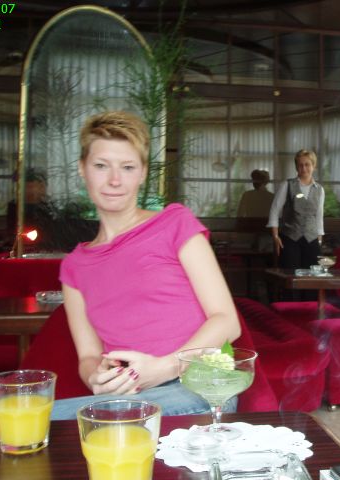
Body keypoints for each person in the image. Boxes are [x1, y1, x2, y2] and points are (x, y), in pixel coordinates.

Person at [51, 111, 241, 419]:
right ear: (82, 169)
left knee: (13, 424)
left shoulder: (175, 223)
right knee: (2, 423)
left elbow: (227, 321)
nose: (114, 180)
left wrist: (165, 367)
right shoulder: (74, 267)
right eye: (101, 166)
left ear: (142, 174)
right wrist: (95, 378)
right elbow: (88, 356)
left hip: (199, 385)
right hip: (128, 395)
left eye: (127, 167)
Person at [267, 149, 325, 269]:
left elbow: (319, 215)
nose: (303, 168)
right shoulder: (287, 185)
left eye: (307, 164)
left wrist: (319, 239)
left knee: (312, 275)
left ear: (314, 166)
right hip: (290, 238)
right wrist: (275, 236)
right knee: (290, 273)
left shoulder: (320, 189)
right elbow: (274, 210)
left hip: (311, 239)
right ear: (296, 167)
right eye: (300, 165)